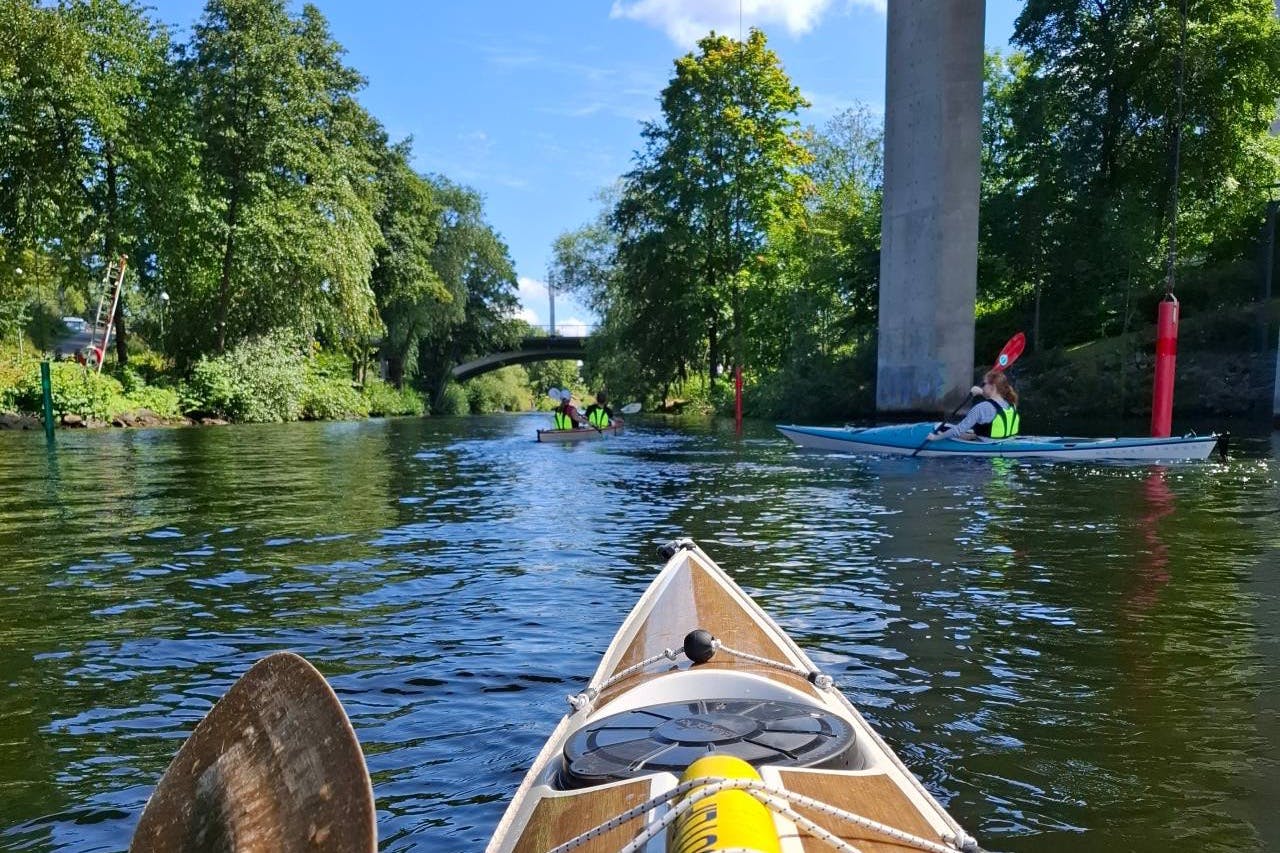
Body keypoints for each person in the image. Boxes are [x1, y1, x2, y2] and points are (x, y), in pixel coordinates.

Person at [927, 369, 1020, 441]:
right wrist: (982, 392)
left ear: (993, 386)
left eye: (984, 384)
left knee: (946, 430)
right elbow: (995, 404)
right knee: (968, 433)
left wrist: (935, 438)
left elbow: (958, 430)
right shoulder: (1010, 403)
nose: (982, 386)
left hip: (984, 448)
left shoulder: (981, 408)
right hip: (1004, 441)